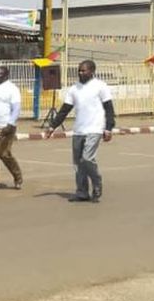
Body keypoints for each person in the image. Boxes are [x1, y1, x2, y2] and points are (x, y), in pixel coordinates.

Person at [45, 60, 115, 203]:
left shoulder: (100, 86)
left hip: (95, 129)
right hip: (78, 130)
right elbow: (64, 110)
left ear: (92, 71)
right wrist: (52, 126)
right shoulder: (74, 89)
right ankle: (82, 192)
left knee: (87, 158)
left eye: (84, 70)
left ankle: (97, 182)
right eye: (79, 70)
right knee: (78, 163)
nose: (80, 73)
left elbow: (109, 108)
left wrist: (108, 128)